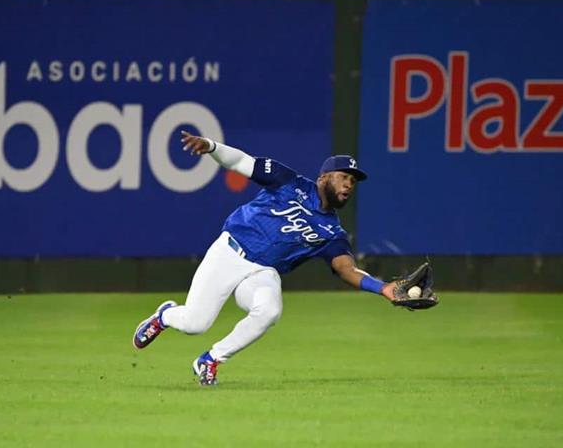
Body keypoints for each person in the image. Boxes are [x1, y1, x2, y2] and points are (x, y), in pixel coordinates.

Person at [132, 130, 399, 386]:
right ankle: (164, 316)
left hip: (262, 272)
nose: (348, 185)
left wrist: (384, 288)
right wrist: (212, 147)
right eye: (343, 177)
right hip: (230, 252)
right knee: (194, 324)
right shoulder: (288, 182)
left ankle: (210, 359)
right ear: (323, 177)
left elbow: (347, 269)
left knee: (269, 311)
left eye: (353, 182)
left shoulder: (332, 232)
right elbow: (241, 161)